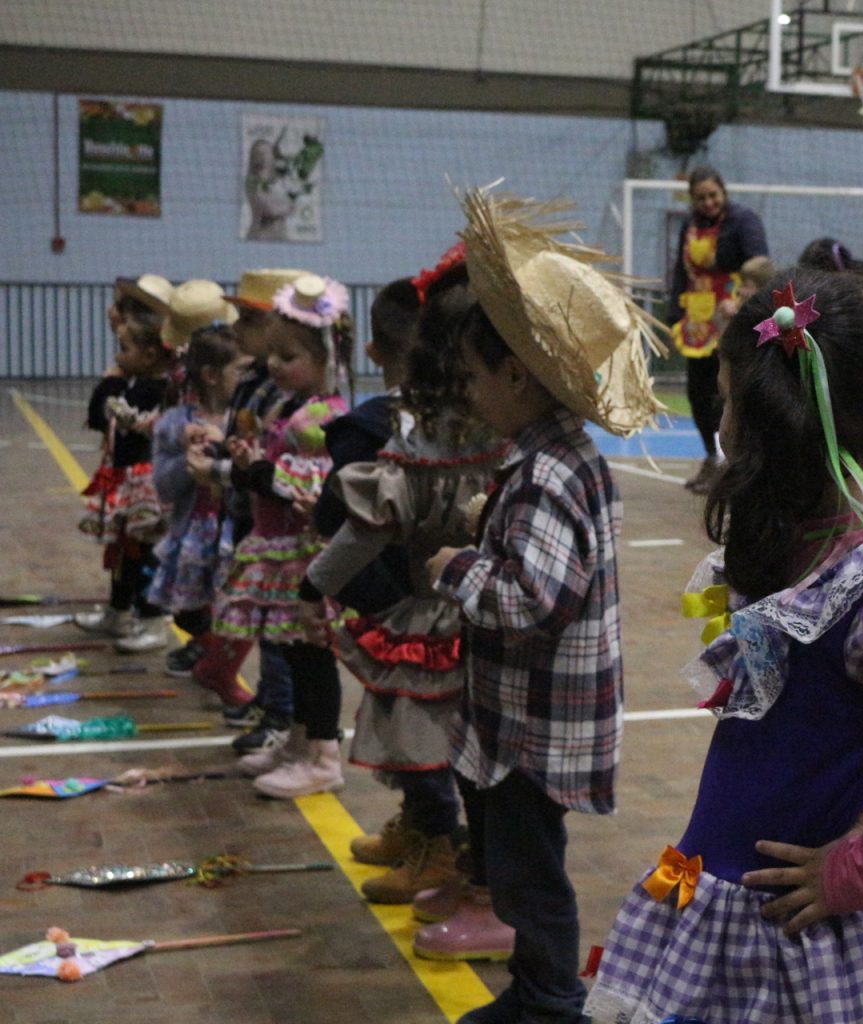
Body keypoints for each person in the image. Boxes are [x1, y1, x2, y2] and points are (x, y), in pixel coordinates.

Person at [585, 269, 863, 1023]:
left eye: (728, 397)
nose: (721, 417)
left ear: (772, 411)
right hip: (713, 878)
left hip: (794, 923)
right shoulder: (799, 543)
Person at [422, 185, 663, 1024]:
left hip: (535, 728)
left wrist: (458, 566)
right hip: (526, 718)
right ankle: (537, 989)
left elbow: (535, 601)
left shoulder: (547, 474)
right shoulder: (556, 458)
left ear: (517, 376)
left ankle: (551, 1001)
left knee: (530, 873)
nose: (469, 393)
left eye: (474, 378)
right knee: (519, 862)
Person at [301, 264, 507, 906]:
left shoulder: (427, 442)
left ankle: (442, 848)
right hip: (468, 609)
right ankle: (431, 834)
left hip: (439, 612)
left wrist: (315, 585)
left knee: (420, 733)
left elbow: (370, 523)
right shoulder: (503, 437)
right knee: (426, 734)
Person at [215, 274, 352, 799]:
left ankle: (324, 754)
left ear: (326, 359)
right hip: (279, 550)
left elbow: (303, 489)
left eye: (288, 356)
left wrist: (254, 473)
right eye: (273, 354)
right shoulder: (289, 410)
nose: (274, 365)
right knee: (293, 653)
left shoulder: (321, 420)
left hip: (304, 555)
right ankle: (298, 742)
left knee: (313, 656)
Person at [190, 269, 307, 738]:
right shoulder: (253, 381)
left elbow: (271, 465)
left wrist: (218, 470)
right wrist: (216, 452)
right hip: (249, 518)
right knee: (261, 618)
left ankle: (281, 715)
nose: (235, 329)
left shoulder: (284, 394)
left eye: (246, 320)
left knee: (280, 628)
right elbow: (243, 443)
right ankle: (271, 701)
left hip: (281, 532)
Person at [75, 274, 176, 653]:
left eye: (124, 348)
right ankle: (119, 609)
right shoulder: (136, 380)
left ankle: (151, 617)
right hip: (124, 475)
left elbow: (112, 414)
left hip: (146, 479)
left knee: (147, 549)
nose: (118, 355)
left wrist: (114, 386)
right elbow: (101, 415)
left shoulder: (159, 387)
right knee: (123, 549)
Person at [148, 303, 250, 676]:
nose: (249, 376)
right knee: (188, 609)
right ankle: (206, 649)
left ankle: (217, 663)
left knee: (231, 605)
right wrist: (190, 462)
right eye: (240, 370)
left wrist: (228, 448)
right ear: (210, 375)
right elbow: (163, 485)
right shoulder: (175, 423)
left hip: (233, 532)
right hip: (192, 532)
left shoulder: (246, 418)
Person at [666, 165, 768, 494]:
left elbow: (761, 268)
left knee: (723, 392)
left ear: (723, 192)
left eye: (713, 195)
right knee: (697, 394)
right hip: (697, 322)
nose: (708, 203)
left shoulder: (744, 221)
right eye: (700, 198)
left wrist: (742, 303)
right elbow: (680, 273)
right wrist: (674, 315)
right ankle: (711, 456)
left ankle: (730, 462)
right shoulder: (689, 226)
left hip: (731, 319)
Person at [244, 138, 294, 242]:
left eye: (266, 152)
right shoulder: (252, 181)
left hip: (281, 235)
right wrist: (285, 207)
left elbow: (292, 205)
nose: (262, 156)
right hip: (261, 236)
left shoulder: (279, 180)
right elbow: (270, 209)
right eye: (258, 153)